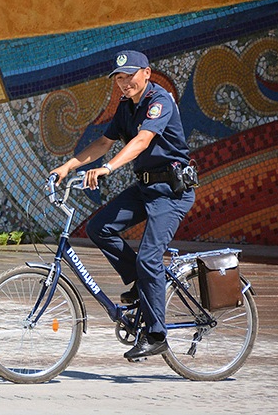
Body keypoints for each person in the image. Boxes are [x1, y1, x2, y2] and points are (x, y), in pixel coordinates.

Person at [51, 50, 196, 360]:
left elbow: (142, 141)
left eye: (129, 75)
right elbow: (103, 143)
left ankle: (157, 335)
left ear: (146, 72)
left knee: (149, 258)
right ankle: (141, 283)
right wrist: (68, 166)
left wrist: (108, 168)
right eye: (118, 78)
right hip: (146, 188)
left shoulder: (160, 102)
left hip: (171, 192)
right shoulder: (126, 107)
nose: (124, 82)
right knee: (99, 227)